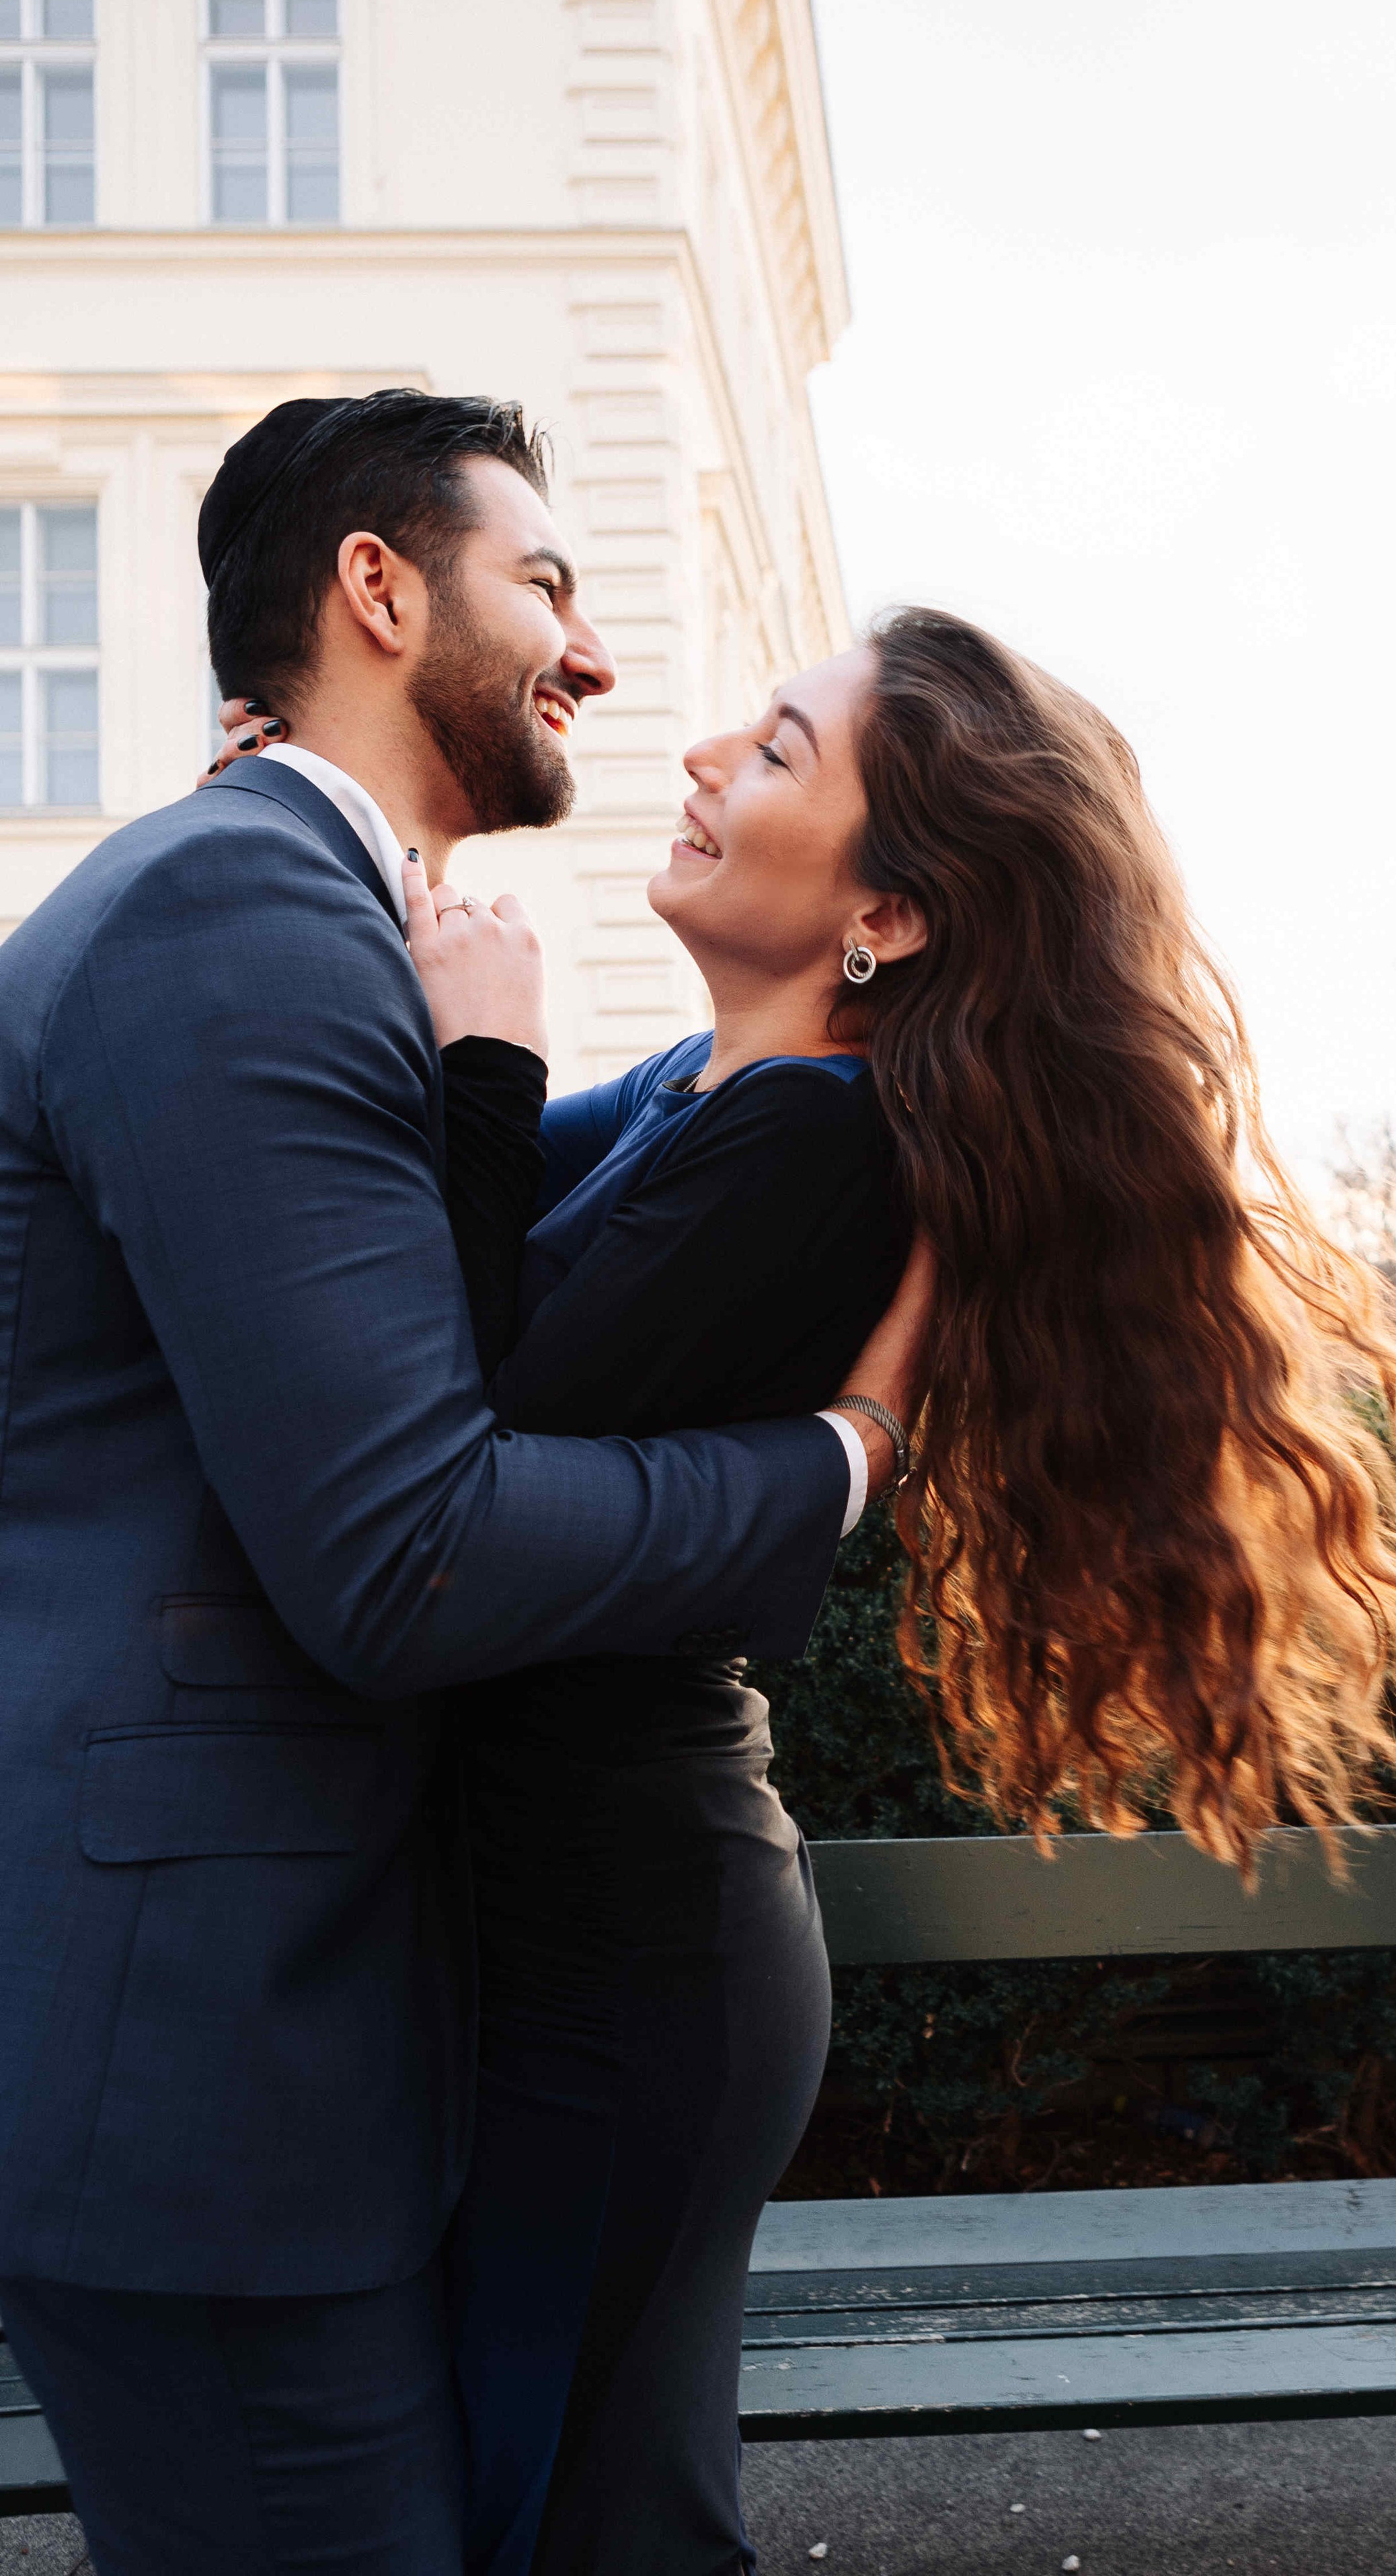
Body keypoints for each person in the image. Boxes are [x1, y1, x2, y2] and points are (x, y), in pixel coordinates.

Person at [218, 603, 1396, 2573]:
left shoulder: (822, 1149)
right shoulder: (703, 1096)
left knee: (587, 2519)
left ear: (886, 913)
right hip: (556, 1928)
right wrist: (337, 847)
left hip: (622, 1959)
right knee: (532, 2495)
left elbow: (451, 1431)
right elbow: (383, 1220)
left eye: (782, 750)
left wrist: (482, 1057)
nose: (711, 755)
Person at [0, 388, 921, 2576]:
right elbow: (406, 1552)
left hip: (289, 2020)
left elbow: (648, 1145)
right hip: (195, 2043)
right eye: (548, 587)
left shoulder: (300, 904)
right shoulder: (245, 914)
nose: (598, 661)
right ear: (382, 593)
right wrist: (832, 1465)